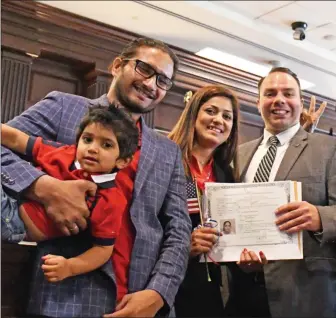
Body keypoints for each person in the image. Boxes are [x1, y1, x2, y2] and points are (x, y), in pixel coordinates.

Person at [1, 38, 192, 317]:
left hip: (141, 303)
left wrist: (160, 292)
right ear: (117, 66)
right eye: (144, 69)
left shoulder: (168, 151)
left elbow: (178, 229)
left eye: (163, 81)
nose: (151, 85)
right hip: (64, 298)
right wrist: (42, 187)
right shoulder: (64, 107)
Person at [225, 67, 336, 317]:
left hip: (305, 293)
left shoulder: (331, 148)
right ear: (258, 103)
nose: (279, 100)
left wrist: (320, 217)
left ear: (300, 103)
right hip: (243, 290)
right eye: (270, 94)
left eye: (288, 93)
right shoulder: (238, 153)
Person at [1, 105, 138, 282]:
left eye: (106, 144)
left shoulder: (110, 199)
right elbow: (18, 139)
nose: (93, 149)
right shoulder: (64, 153)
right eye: (88, 139)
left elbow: (103, 249)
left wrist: (70, 267)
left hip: (15, 222)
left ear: (122, 161)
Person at [168, 85, 240, 317]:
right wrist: (184, 247)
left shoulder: (226, 175)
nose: (218, 120)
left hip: (210, 289)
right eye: (211, 111)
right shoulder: (166, 158)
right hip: (167, 283)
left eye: (227, 116)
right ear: (194, 114)